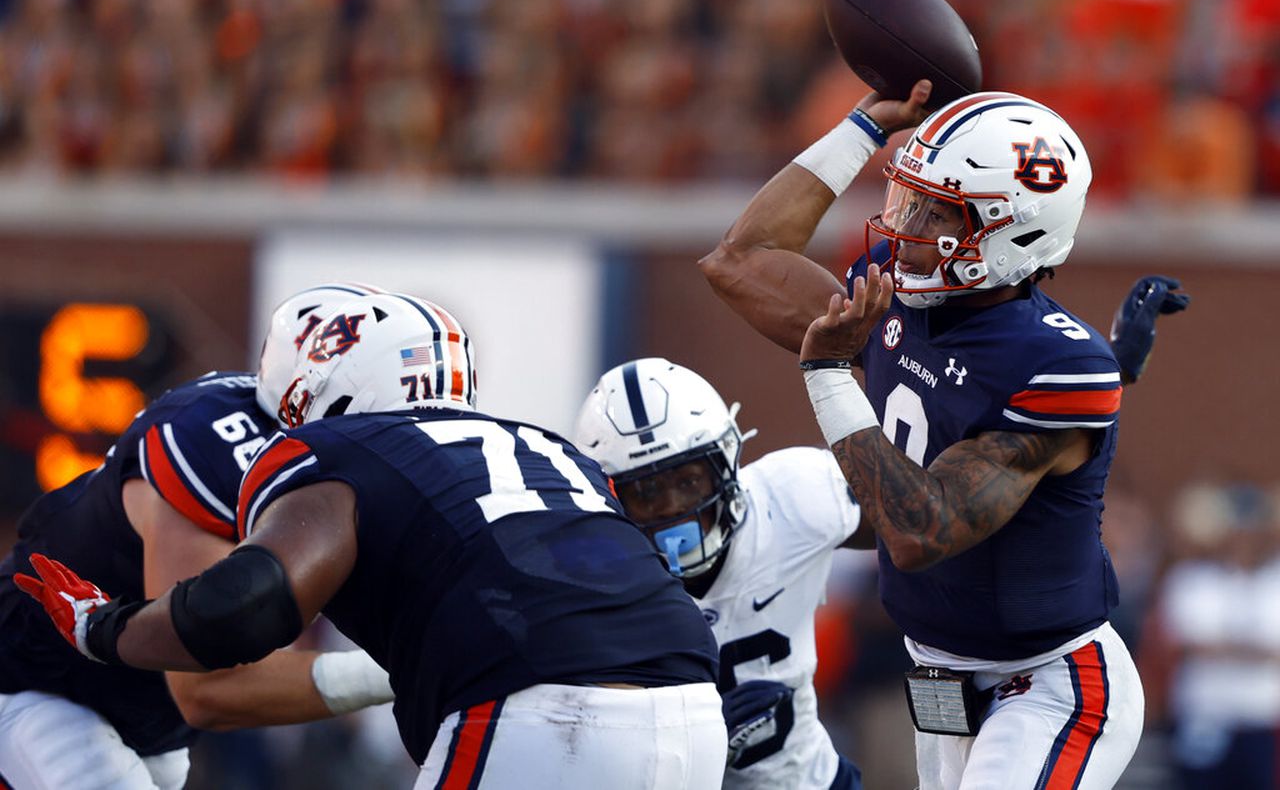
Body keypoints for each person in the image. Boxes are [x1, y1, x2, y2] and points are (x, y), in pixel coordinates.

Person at [16, 292, 728, 789]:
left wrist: (105, 630)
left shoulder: (343, 452)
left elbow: (240, 607)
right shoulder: (541, 445)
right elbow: (209, 691)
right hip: (696, 711)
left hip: (535, 706)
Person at [700, 81, 1183, 789]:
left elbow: (921, 529)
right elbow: (739, 259)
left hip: (1049, 683)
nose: (907, 227)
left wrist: (830, 373)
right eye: (911, 199)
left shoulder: (1056, 367)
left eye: (937, 212)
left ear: (1014, 230)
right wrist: (861, 128)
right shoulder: (904, 298)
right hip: (940, 674)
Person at [0, 282, 394, 790]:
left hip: (148, 723)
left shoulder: (328, 470)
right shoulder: (213, 448)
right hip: (40, 681)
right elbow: (207, 686)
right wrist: (395, 673)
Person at [574, 357, 867, 789]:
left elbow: (914, 527)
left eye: (688, 481)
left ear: (724, 464)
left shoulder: (794, 499)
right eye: (647, 491)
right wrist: (699, 738)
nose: (673, 507)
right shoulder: (588, 588)